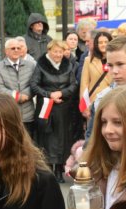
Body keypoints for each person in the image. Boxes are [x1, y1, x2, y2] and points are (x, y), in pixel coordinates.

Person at [30, 40, 77, 184]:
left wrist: (61, 93)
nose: (58, 54)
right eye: (55, 51)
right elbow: (34, 84)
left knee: (62, 136)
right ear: (49, 51)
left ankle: (59, 169)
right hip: (46, 105)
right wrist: (49, 94)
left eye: (61, 52)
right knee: (47, 136)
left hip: (63, 106)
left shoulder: (68, 65)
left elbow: (73, 84)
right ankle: (49, 168)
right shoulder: (41, 64)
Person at [0, 37, 37, 136]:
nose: (16, 50)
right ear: (6, 51)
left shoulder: (31, 66)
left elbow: (35, 84)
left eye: (18, 48)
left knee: (28, 146)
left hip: (27, 115)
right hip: (8, 114)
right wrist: (17, 96)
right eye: (13, 48)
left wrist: (25, 94)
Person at [79, 31, 112, 122]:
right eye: (100, 42)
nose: (103, 45)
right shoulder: (88, 60)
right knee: (93, 132)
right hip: (93, 101)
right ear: (96, 44)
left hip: (112, 100)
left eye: (106, 42)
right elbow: (84, 84)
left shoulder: (116, 60)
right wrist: (84, 106)